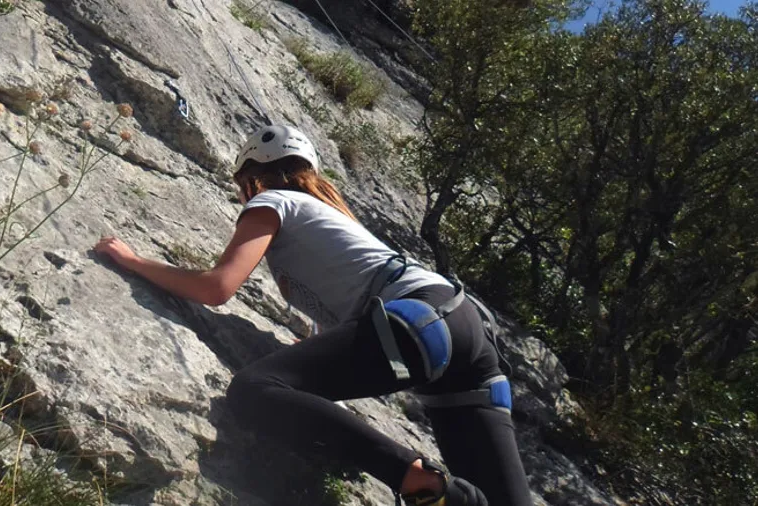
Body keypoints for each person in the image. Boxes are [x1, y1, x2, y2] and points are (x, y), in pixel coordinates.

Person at [94, 125, 533, 506]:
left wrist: (132, 261)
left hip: (419, 323)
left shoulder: (273, 202)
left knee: (254, 390)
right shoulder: (333, 218)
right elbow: (347, 329)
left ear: (252, 178)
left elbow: (217, 288)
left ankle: (415, 477)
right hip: (465, 336)